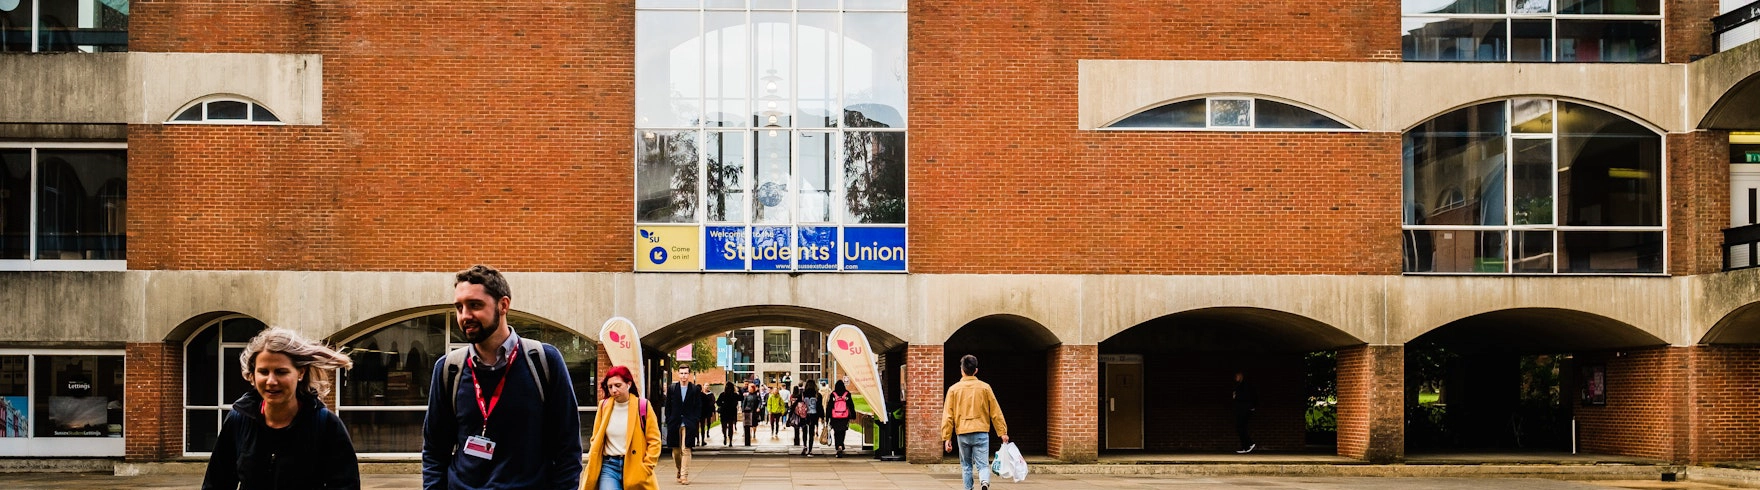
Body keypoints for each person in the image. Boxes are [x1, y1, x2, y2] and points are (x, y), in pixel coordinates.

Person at [422, 265, 582, 490]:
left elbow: (568, 450)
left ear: (503, 305)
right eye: (459, 307)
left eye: (475, 305)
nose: (465, 316)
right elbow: (434, 451)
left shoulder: (543, 361)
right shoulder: (449, 369)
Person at [202, 327, 360, 490]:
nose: (271, 381)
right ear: (252, 375)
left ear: (300, 373)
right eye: (263, 372)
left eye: (281, 372)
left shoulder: (326, 425)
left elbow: (346, 486)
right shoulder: (238, 420)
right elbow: (216, 483)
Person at [583, 365, 661, 490]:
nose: (613, 390)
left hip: (634, 466)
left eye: (618, 385)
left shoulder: (643, 406)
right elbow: (596, 437)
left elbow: (654, 441)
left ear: (628, 384)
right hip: (609, 467)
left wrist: (647, 467)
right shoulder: (604, 406)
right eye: (610, 387)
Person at [942, 355, 1008, 490]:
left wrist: (947, 437)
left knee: (966, 465)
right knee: (983, 464)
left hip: (963, 433)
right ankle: (984, 482)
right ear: (976, 370)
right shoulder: (985, 388)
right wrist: (1002, 432)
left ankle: (968, 488)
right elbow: (995, 411)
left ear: (962, 370)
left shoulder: (953, 389)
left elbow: (948, 415)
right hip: (981, 431)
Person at [662, 365, 700, 485]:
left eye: (686, 373)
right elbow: (668, 406)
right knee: (676, 451)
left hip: (689, 423)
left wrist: (695, 420)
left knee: (686, 449)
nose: (684, 376)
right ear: (678, 374)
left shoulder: (694, 389)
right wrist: (669, 419)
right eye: (682, 373)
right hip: (675, 422)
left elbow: (698, 406)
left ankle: (684, 475)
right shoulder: (672, 388)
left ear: (689, 374)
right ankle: (679, 469)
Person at [823, 380, 855, 458]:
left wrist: (827, 417)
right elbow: (851, 405)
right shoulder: (847, 394)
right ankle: (841, 444)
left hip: (835, 417)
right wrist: (853, 415)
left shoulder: (833, 394)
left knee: (836, 432)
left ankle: (838, 446)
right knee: (842, 431)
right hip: (844, 416)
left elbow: (829, 406)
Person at [1233, 371, 1258, 454]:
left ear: (1241, 375)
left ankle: (1249, 444)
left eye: (1237, 375)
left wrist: (1252, 407)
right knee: (1240, 427)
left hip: (1245, 409)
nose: (1235, 377)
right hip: (1241, 409)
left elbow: (1250, 396)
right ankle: (1245, 446)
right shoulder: (1239, 385)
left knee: (1241, 427)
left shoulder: (1245, 385)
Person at [795, 381, 821, 457]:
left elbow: (796, 404)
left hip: (804, 416)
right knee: (811, 433)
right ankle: (810, 450)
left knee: (804, 431)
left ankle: (805, 446)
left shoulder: (802, 394)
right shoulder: (817, 395)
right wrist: (822, 416)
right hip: (813, 415)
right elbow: (819, 407)